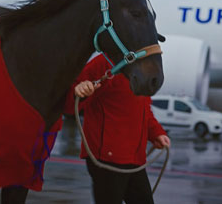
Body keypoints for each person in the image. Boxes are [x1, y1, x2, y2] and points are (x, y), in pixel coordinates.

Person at [65, 54, 170, 204]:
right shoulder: (103, 62)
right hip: (107, 159)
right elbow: (70, 104)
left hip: (135, 160)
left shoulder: (142, 66)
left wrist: (156, 133)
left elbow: (143, 110)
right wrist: (79, 91)